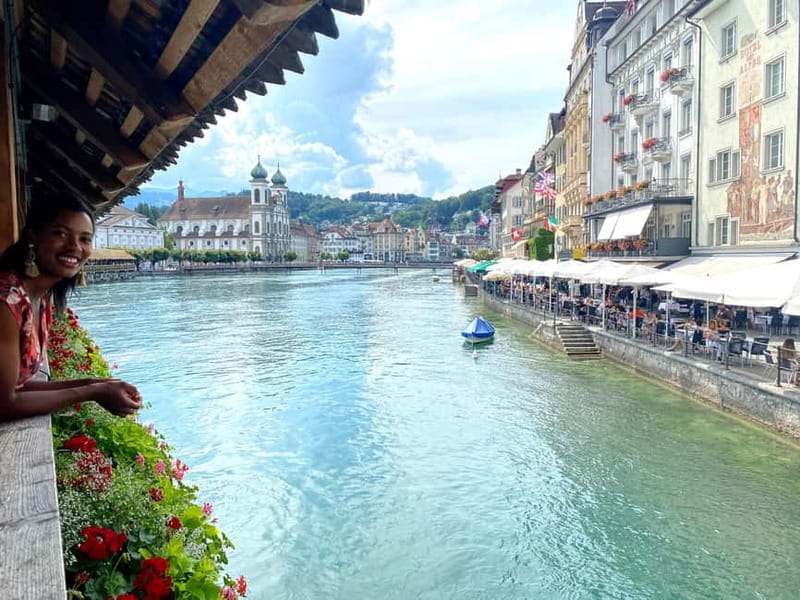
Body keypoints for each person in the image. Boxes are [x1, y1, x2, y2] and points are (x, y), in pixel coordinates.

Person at [0, 191, 142, 421]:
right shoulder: (6, 302)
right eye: (60, 233)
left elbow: (15, 387)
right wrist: (92, 390)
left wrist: (98, 384)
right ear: (33, 236)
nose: (74, 246)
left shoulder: (38, 299)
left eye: (85, 239)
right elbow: (4, 403)